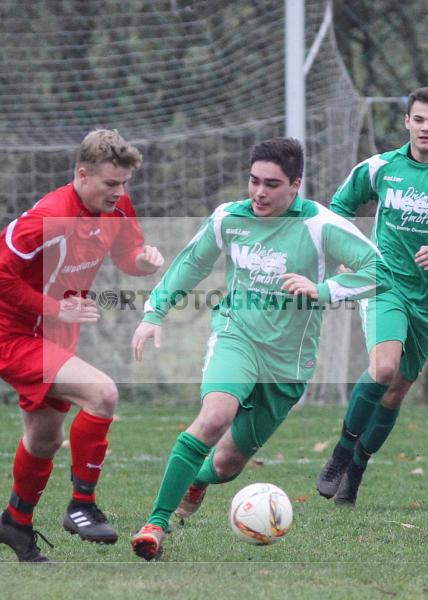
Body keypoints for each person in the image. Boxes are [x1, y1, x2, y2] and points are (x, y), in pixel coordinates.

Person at [129, 137, 392, 561]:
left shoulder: (319, 225)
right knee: (214, 417)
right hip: (237, 335)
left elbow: (380, 271)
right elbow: (193, 262)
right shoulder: (229, 219)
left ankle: (195, 479)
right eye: (253, 181)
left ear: (295, 185)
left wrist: (322, 289)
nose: (259, 193)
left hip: (288, 363)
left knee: (227, 465)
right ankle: (155, 525)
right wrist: (153, 312)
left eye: (271, 184)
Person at [0, 129, 164, 562]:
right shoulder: (45, 219)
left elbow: (127, 255)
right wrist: (55, 308)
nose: (120, 193)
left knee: (43, 438)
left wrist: (145, 261)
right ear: (82, 174)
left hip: (56, 335)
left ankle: (14, 523)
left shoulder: (115, 207)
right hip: (15, 337)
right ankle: (81, 505)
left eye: (124, 184)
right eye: (110, 184)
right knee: (103, 394)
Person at [315, 86, 428, 507]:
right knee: (382, 370)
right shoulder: (380, 168)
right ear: (406, 122)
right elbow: (336, 209)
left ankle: (356, 472)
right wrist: (346, 250)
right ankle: (340, 453)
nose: (426, 127)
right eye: (419, 119)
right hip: (383, 283)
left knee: (395, 393)